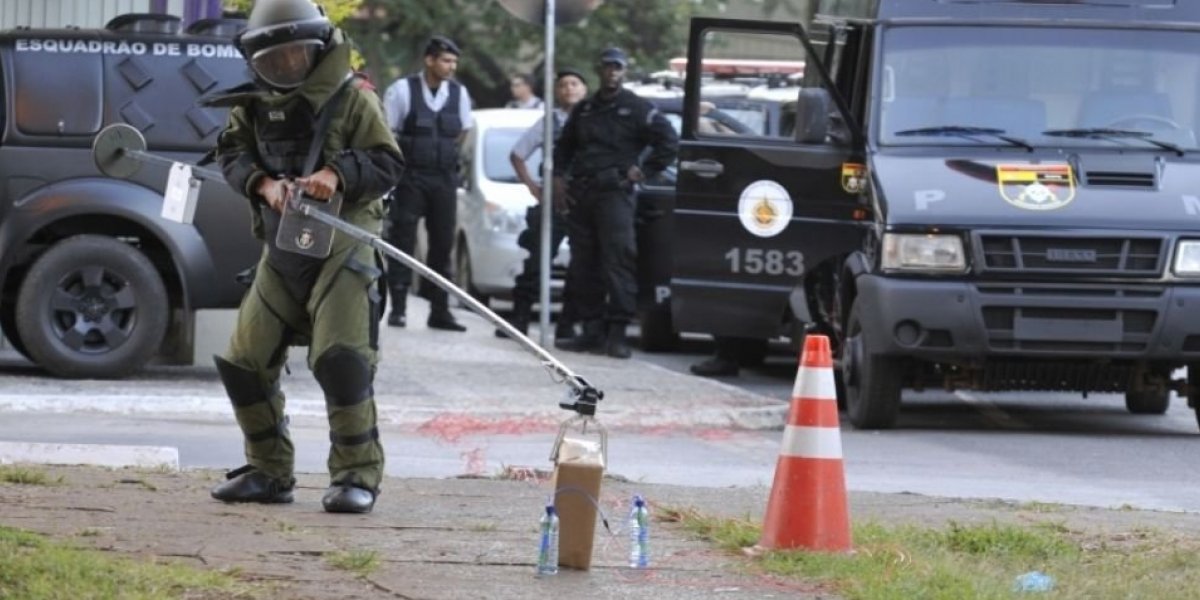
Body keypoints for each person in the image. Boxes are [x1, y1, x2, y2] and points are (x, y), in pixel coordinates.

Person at [203, 0, 404, 514]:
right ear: (258, 59)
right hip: (283, 244)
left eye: (297, 55)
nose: (288, 66)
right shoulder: (249, 104)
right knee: (243, 361)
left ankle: (356, 475)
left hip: (344, 242)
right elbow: (230, 153)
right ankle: (269, 471)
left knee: (342, 358)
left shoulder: (355, 97)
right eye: (276, 59)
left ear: (316, 49)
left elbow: (386, 161)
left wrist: (337, 175)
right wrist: (262, 183)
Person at [552, 48, 678, 359]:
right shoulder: (584, 110)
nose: (612, 72)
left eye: (617, 68)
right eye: (607, 67)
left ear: (624, 71)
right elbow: (564, 147)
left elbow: (668, 142)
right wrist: (558, 178)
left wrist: (642, 171)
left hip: (615, 194)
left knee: (618, 261)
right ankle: (591, 331)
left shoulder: (637, 108)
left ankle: (617, 333)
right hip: (583, 194)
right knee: (584, 265)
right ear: (599, 69)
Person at [382, 35, 474, 331]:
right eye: (446, 61)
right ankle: (398, 308)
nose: (451, 67)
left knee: (442, 244)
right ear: (429, 60)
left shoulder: (459, 94)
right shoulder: (402, 91)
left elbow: (462, 133)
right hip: (411, 177)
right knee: (402, 241)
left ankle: (440, 310)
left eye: (454, 62)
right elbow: (387, 133)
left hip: (444, 179)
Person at [496, 68, 588, 341]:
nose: (569, 89)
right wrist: (534, 188)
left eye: (574, 83)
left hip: (585, 201)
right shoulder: (550, 121)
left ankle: (568, 324)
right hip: (553, 202)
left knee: (582, 265)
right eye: (563, 85)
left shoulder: (593, 119)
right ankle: (519, 319)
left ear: (584, 89)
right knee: (537, 260)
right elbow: (518, 154)